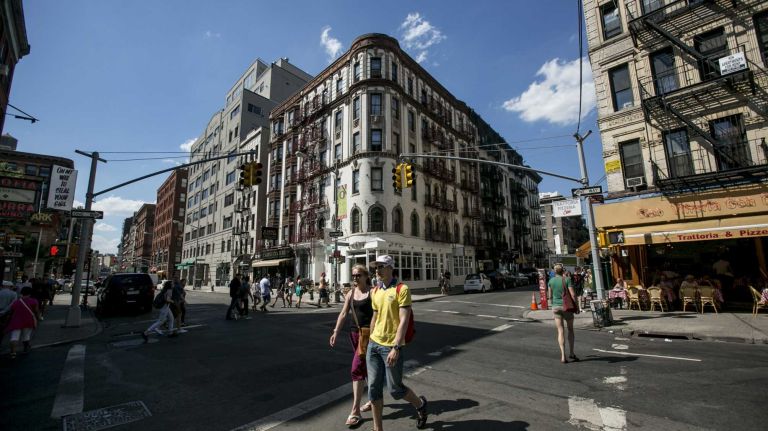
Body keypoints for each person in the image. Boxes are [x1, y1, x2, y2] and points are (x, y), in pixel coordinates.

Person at [367, 255, 428, 430]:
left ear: (390, 268)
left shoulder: (402, 289)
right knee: (373, 389)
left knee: (395, 389)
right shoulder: (375, 291)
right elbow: (375, 317)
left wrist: (396, 347)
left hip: (391, 346)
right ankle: (378, 428)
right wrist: (369, 340)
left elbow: (404, 321)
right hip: (374, 344)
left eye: (381, 266)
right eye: (375, 267)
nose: (377, 270)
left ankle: (420, 405)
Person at [330, 264, 374, 427]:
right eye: (353, 275)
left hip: (369, 336)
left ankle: (355, 411)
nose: (355, 278)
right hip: (355, 335)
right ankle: (373, 399)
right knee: (366, 369)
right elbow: (343, 313)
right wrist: (336, 331)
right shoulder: (351, 293)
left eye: (358, 275)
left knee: (356, 369)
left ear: (366, 276)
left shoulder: (372, 292)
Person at [547, 263, 579, 364]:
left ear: (554, 271)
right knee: (570, 330)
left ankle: (563, 356)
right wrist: (577, 306)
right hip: (567, 307)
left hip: (556, 307)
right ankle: (572, 353)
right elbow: (573, 294)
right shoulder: (567, 279)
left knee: (560, 331)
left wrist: (553, 305)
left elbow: (550, 296)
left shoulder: (551, 281)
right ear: (563, 271)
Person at [3, 286, 41, 359]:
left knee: (14, 337)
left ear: (22, 293)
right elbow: (36, 311)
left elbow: (11, 312)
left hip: (16, 321)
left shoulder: (16, 302)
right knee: (26, 336)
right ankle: (25, 349)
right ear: (30, 293)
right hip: (28, 320)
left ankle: (13, 353)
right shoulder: (34, 301)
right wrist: (38, 317)